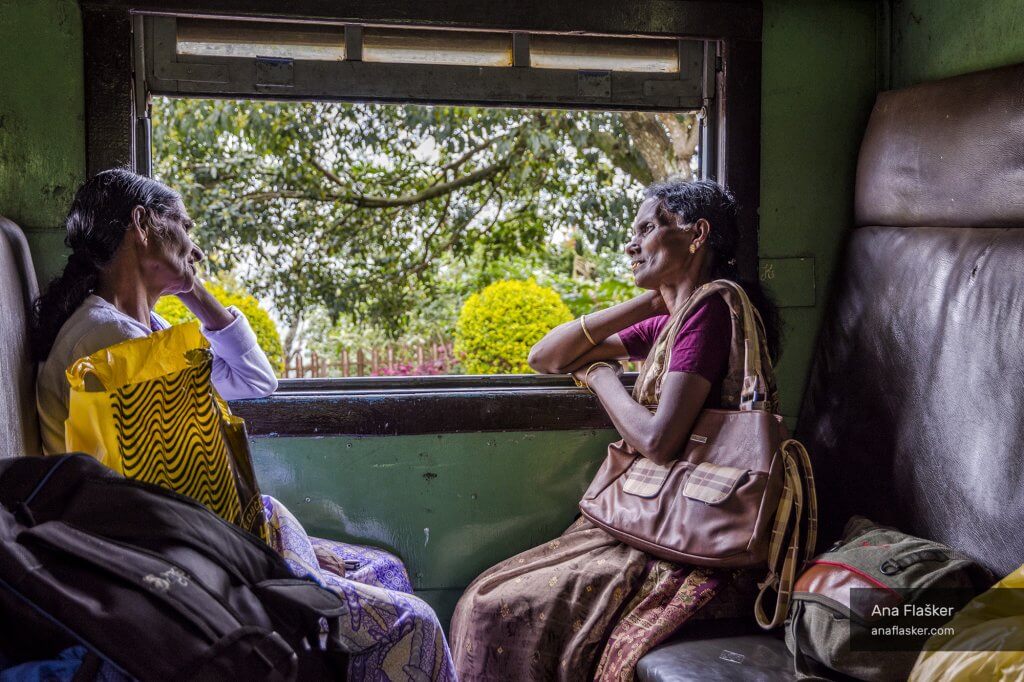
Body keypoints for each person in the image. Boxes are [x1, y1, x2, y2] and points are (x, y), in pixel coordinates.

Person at [31, 168, 455, 681]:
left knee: (386, 570)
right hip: (176, 555)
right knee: (419, 621)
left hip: (211, 531)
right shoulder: (106, 343)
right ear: (141, 224)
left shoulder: (147, 330)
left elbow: (255, 379)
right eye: (184, 227)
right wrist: (280, 557)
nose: (196, 248)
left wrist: (190, 289)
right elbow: (173, 493)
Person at [449, 179, 782, 681]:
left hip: (698, 528)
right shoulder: (675, 319)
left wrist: (603, 378)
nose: (631, 244)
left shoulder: (712, 312)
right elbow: (547, 357)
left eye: (647, 228)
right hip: (661, 513)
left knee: (496, 606)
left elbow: (657, 441)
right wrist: (649, 303)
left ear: (698, 235)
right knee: (489, 594)